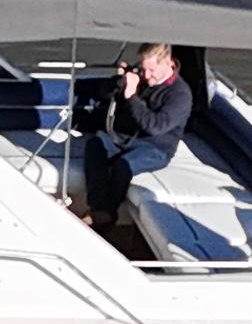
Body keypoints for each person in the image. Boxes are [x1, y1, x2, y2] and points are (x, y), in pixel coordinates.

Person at [80, 41, 191, 235]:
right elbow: (104, 93)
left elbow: (155, 126)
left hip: (156, 147)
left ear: (168, 63)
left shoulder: (180, 95)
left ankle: (104, 216)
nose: (146, 76)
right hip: (125, 137)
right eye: (144, 69)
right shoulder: (142, 77)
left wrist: (132, 97)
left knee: (122, 166)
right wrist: (120, 80)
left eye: (152, 70)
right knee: (95, 146)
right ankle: (99, 210)